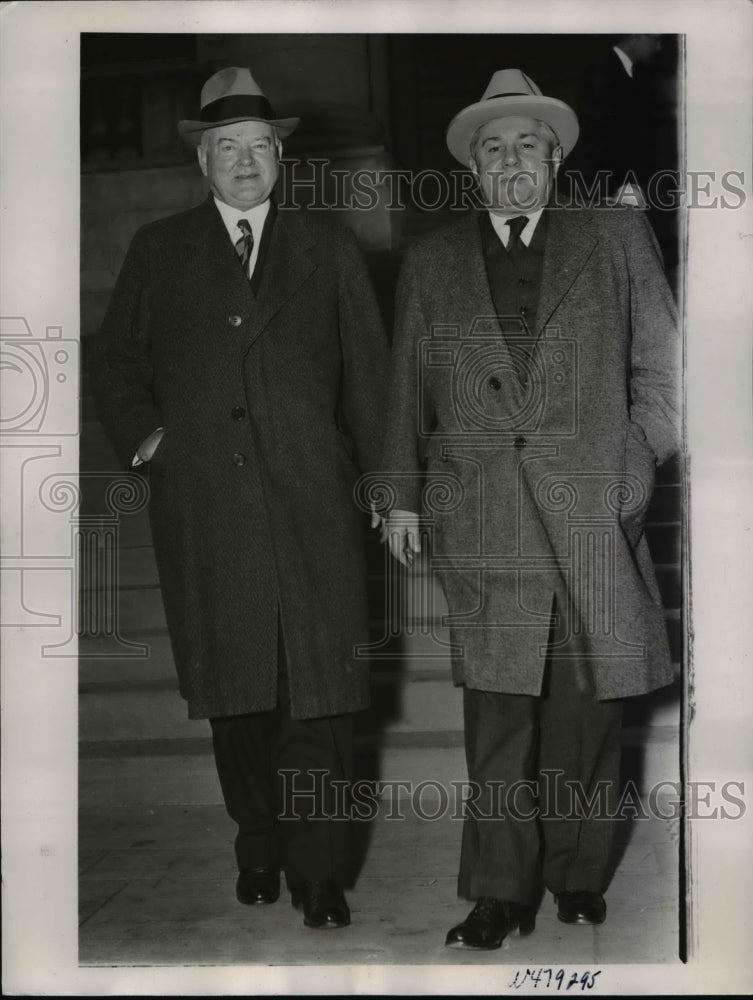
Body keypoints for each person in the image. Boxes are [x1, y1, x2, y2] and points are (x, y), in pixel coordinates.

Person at [380, 69, 680, 949]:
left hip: (592, 506)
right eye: (493, 148)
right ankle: (497, 894)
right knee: (499, 714)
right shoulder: (431, 261)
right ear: (471, 167)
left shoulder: (613, 234)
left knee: (587, 706)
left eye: (526, 144)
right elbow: (404, 393)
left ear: (554, 158)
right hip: (483, 513)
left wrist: (634, 460)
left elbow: (662, 369)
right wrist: (400, 500)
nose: (510, 161)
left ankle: (577, 874)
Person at [91, 66, 389, 930]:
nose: (247, 161)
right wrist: (151, 441)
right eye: (228, 147)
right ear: (202, 161)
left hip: (312, 505)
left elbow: (370, 382)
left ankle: (319, 872)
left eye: (261, 145)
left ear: (281, 157)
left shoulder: (328, 248)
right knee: (239, 699)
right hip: (207, 511)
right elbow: (116, 362)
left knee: (318, 697)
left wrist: (384, 483)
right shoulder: (159, 249)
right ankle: (257, 844)